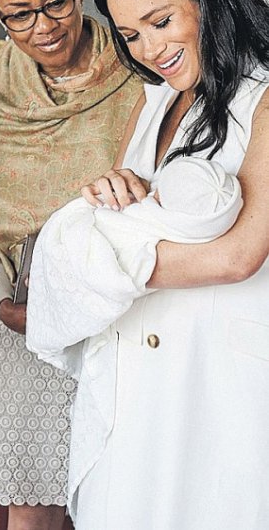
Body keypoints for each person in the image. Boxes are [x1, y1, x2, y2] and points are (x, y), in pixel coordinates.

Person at [46, 0, 269, 529]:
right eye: (130, 34)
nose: (148, 48)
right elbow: (119, 212)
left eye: (161, 21)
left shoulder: (264, 99)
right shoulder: (151, 101)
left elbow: (241, 254)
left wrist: (95, 263)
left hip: (216, 373)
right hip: (136, 366)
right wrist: (108, 195)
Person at [0, 0, 142, 530]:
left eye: (57, 3)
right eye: (20, 15)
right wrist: (2, 301)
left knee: (124, 490)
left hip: (130, 294)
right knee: (34, 508)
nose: (44, 27)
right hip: (29, 307)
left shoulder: (139, 70)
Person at [26, 157, 242, 513]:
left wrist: (67, 270)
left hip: (179, 350)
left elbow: (235, 259)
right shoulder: (150, 103)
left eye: (159, 199)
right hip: (129, 347)